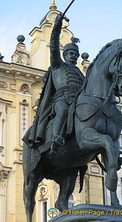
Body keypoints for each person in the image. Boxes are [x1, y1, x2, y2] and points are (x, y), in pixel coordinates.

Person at [23, 14, 85, 155]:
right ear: (65, 54)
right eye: (70, 53)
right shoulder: (58, 65)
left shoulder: (80, 73)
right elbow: (54, 46)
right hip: (61, 98)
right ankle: (56, 137)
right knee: (62, 110)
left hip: (77, 100)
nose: (73, 56)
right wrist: (57, 26)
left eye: (76, 54)